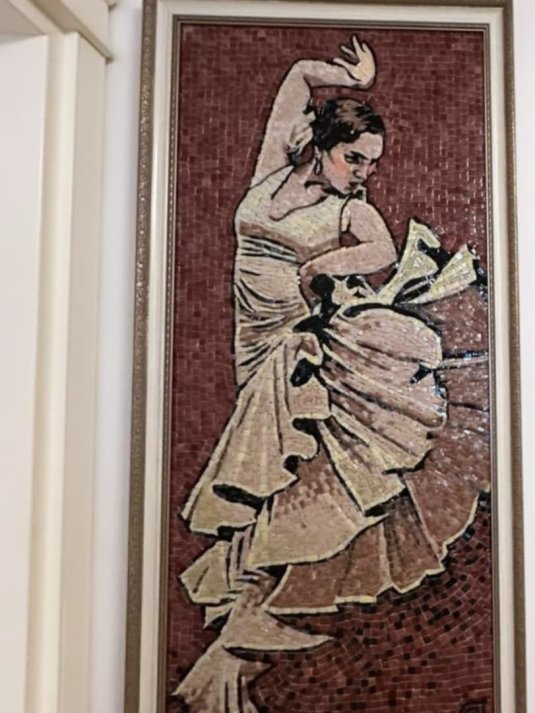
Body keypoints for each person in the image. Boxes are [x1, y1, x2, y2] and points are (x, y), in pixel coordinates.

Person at [174, 37, 490, 713]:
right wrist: (355, 78)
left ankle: (243, 627)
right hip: (253, 343)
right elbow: (296, 76)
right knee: (269, 475)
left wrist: (324, 266)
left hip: (296, 346)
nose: (364, 173)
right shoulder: (270, 172)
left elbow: (380, 248)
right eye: (355, 158)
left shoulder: (352, 210)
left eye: (373, 163)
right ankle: (231, 654)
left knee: (295, 474)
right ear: (321, 146)